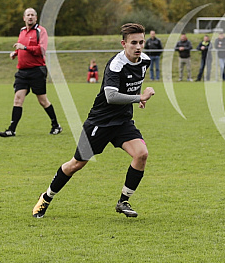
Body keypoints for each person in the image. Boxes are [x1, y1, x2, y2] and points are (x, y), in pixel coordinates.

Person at [32, 23, 155, 219]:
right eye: (133, 43)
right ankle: (46, 197)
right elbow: (111, 96)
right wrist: (139, 97)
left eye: (141, 42)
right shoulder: (115, 64)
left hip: (122, 121)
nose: (138, 47)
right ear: (124, 44)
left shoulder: (145, 61)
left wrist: (137, 96)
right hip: (100, 122)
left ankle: (123, 201)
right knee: (76, 164)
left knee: (141, 154)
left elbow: (132, 84)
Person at [0, 8, 62, 137]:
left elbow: (42, 49)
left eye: (32, 15)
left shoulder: (41, 31)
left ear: (36, 18)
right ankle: (11, 129)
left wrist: (25, 48)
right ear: (24, 18)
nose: (30, 17)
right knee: (18, 99)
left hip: (37, 71)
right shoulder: (22, 31)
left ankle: (56, 125)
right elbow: (20, 45)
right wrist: (15, 53)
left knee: (43, 101)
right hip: (22, 72)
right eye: (28, 15)